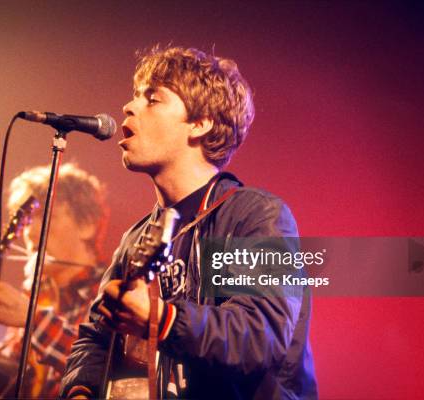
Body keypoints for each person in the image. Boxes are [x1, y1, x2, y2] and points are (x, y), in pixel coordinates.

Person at [60, 46, 318, 399]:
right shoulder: (136, 238)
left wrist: (163, 319)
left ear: (200, 123)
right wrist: (80, 391)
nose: (129, 106)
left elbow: (259, 335)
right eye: (136, 96)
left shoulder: (255, 215)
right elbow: (94, 338)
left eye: (153, 99)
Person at [0, 162, 109, 398]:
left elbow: (103, 369)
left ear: (87, 224)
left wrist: (32, 319)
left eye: (47, 218)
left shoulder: (110, 293)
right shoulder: (38, 293)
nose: (30, 232)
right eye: (26, 221)